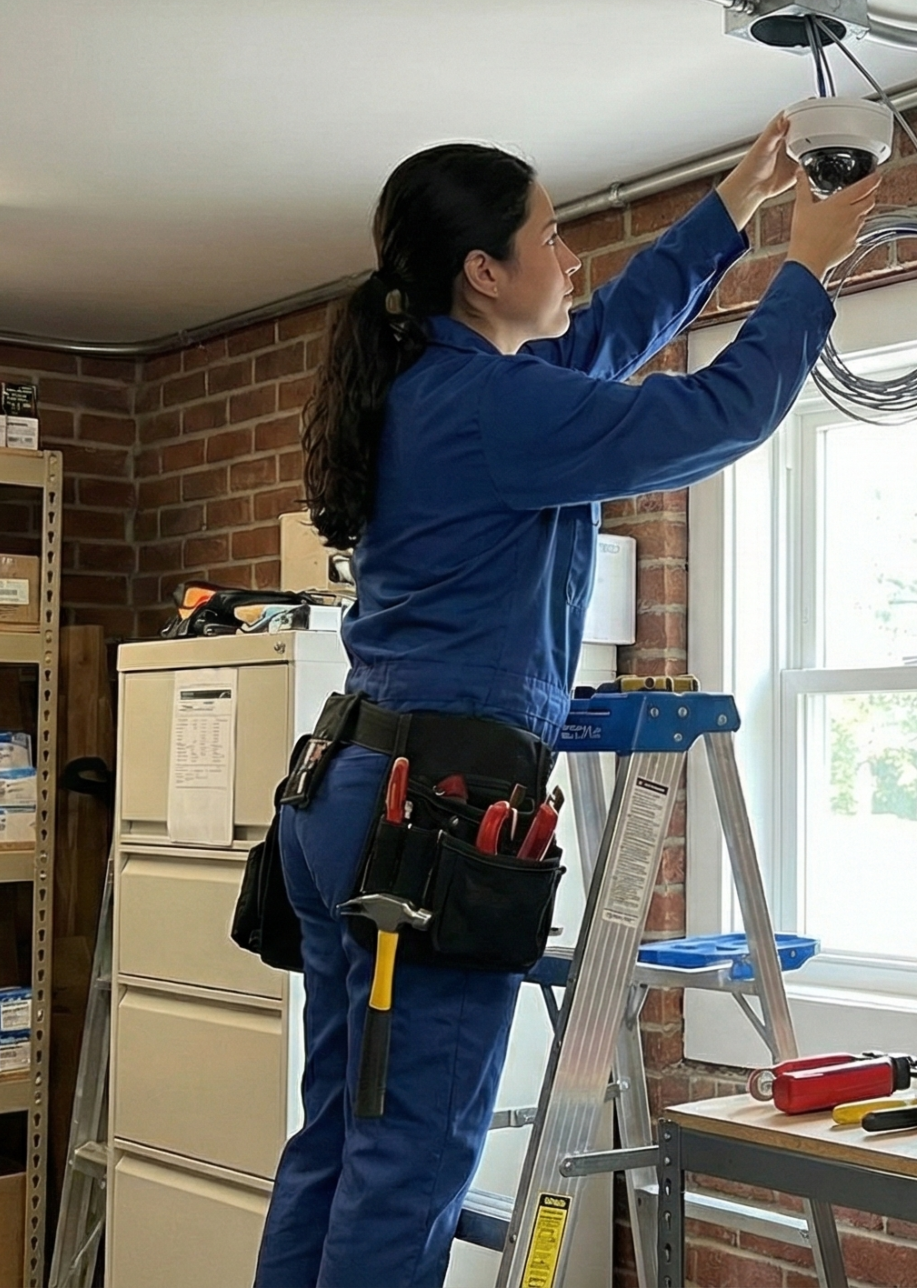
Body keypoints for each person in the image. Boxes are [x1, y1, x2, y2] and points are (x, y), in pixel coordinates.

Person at [253, 118, 880, 1287]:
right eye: (551, 235)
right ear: (484, 272)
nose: (572, 254)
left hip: (348, 792)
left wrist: (735, 204)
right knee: (412, 1157)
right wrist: (805, 270)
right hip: (426, 818)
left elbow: (609, 333)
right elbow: (715, 417)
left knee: (341, 1138)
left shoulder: (446, 386)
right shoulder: (492, 409)